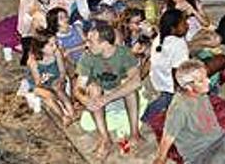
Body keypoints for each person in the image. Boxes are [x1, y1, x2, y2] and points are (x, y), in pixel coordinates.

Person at [74, 22, 143, 160]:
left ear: (104, 44)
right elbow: (78, 88)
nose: (87, 45)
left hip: (116, 93)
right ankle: (105, 139)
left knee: (129, 86)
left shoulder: (124, 53)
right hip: (98, 97)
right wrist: (85, 100)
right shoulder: (87, 56)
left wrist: (108, 98)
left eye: (91, 42)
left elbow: (136, 81)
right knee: (93, 88)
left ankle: (135, 134)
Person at [17, 0, 71, 65]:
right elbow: (22, 29)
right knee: (38, 17)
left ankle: (58, 47)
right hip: (36, 33)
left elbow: (65, 13)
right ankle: (34, 51)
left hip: (54, 27)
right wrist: (30, 14)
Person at [143, 9, 189, 123]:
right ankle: (147, 118)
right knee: (167, 102)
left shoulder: (159, 38)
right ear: (173, 28)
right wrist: (179, 90)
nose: (187, 25)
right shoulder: (179, 44)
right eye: (184, 23)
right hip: (169, 85)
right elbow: (176, 71)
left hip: (157, 80)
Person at [25, 34, 75, 125]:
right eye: (51, 45)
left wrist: (61, 79)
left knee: (58, 90)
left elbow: (62, 71)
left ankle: (71, 112)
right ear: (41, 48)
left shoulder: (57, 52)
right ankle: (63, 116)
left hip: (56, 77)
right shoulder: (33, 60)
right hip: (41, 84)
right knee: (48, 97)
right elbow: (38, 82)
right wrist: (47, 87)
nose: (55, 46)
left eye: (55, 43)